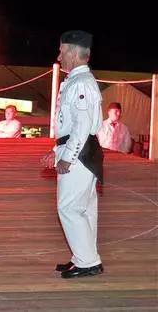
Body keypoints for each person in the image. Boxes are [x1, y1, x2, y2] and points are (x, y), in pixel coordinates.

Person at [41, 30, 104, 279]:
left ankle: (87, 261)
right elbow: (69, 127)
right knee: (84, 208)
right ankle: (85, 257)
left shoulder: (81, 84)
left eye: (62, 50)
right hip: (80, 149)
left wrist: (68, 157)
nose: (59, 55)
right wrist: (56, 151)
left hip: (81, 152)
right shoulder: (77, 82)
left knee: (69, 208)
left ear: (75, 53)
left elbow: (81, 126)